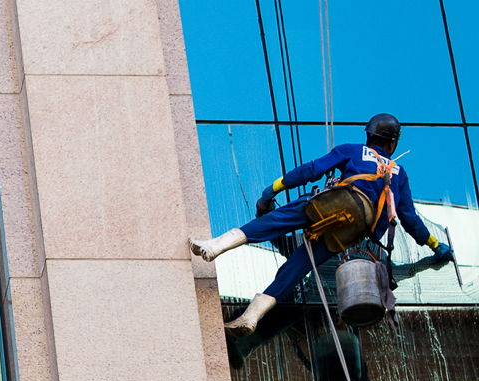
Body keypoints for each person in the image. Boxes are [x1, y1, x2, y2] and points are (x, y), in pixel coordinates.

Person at [189, 113, 456, 335]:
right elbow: (408, 218)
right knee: (297, 267)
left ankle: (214, 247)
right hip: (354, 231)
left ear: (369, 135)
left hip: (338, 203)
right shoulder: (398, 173)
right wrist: (435, 245)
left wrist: (272, 190)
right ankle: (251, 317)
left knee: (273, 222)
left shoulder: (352, 150)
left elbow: (312, 170)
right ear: (393, 144)